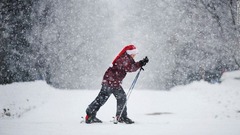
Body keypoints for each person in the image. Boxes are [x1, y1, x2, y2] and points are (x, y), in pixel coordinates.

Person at [85, 45, 149, 124]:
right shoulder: (124, 58)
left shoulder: (126, 58)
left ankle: (91, 114)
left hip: (112, 81)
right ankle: (120, 116)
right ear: (130, 53)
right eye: (134, 53)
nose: (135, 55)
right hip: (111, 81)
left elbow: (131, 66)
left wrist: (141, 63)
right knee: (107, 98)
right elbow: (129, 68)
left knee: (110, 98)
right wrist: (140, 63)